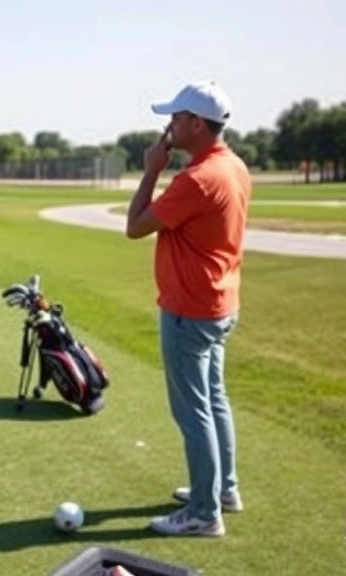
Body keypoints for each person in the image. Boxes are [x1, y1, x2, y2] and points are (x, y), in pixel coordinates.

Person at [124, 80, 251, 537]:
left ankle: (203, 513)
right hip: (219, 303)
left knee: (193, 410)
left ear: (197, 123)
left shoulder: (195, 179)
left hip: (189, 309)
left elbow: (135, 226)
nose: (168, 125)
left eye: (176, 118)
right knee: (214, 402)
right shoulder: (233, 166)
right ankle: (222, 490)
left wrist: (152, 170)